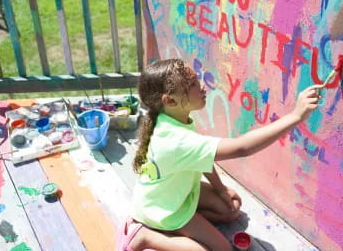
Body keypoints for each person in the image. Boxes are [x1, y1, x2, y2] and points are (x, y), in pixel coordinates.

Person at [116, 58, 322, 251]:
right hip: (165, 211)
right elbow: (242, 148)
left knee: (230, 211)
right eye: (193, 84)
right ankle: (144, 235)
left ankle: (185, 226)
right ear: (170, 100)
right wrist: (296, 116)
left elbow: (199, 158)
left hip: (176, 194)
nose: (202, 87)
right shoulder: (175, 140)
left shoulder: (172, 119)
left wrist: (221, 189)